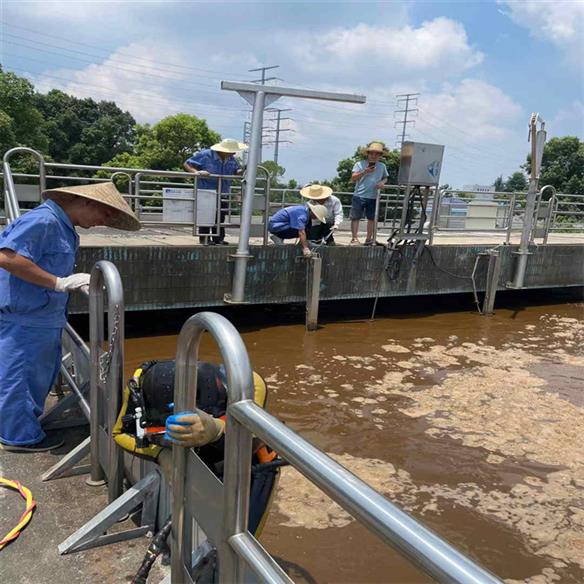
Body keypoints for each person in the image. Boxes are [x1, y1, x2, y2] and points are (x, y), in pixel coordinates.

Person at [0, 182, 140, 452]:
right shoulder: (45, 221)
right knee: (20, 377)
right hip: (26, 316)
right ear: (86, 203)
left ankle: (23, 428)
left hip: (40, 315)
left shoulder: (61, 225)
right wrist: (57, 283)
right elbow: (8, 257)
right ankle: (19, 438)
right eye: (105, 214)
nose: (103, 222)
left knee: (35, 375)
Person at [184, 138, 247, 245]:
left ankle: (218, 238)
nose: (234, 153)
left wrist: (243, 170)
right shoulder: (206, 155)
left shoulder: (231, 159)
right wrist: (197, 172)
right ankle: (205, 238)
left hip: (223, 191)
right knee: (206, 216)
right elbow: (187, 164)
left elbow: (235, 171)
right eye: (231, 151)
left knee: (220, 216)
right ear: (223, 150)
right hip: (206, 191)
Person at [350, 142, 389, 246]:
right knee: (355, 217)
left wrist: (382, 182)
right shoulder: (359, 164)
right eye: (372, 153)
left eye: (377, 154)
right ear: (367, 153)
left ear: (380, 156)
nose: (374, 155)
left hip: (374, 195)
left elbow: (385, 177)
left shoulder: (382, 166)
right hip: (359, 195)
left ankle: (368, 239)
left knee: (372, 218)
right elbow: (353, 178)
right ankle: (354, 238)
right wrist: (365, 171)